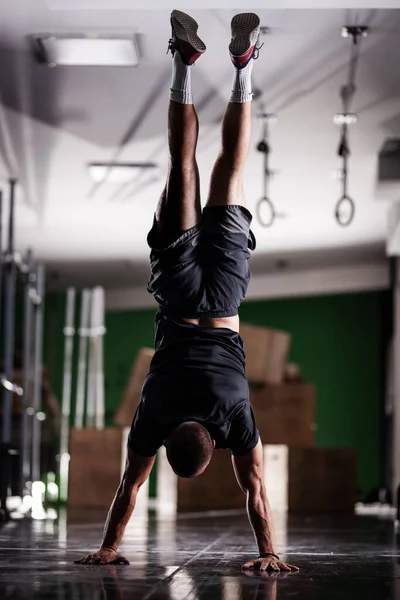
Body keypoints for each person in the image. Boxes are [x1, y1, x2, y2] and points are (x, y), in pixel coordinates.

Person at [75, 10, 298, 573]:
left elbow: (255, 492)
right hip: (178, 294)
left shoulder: (235, 418)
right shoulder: (153, 415)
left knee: (230, 165)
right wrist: (107, 545)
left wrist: (269, 551)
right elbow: (130, 486)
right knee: (182, 167)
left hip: (223, 297)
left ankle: (244, 68)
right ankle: (183, 62)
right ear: (174, 438)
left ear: (211, 443)